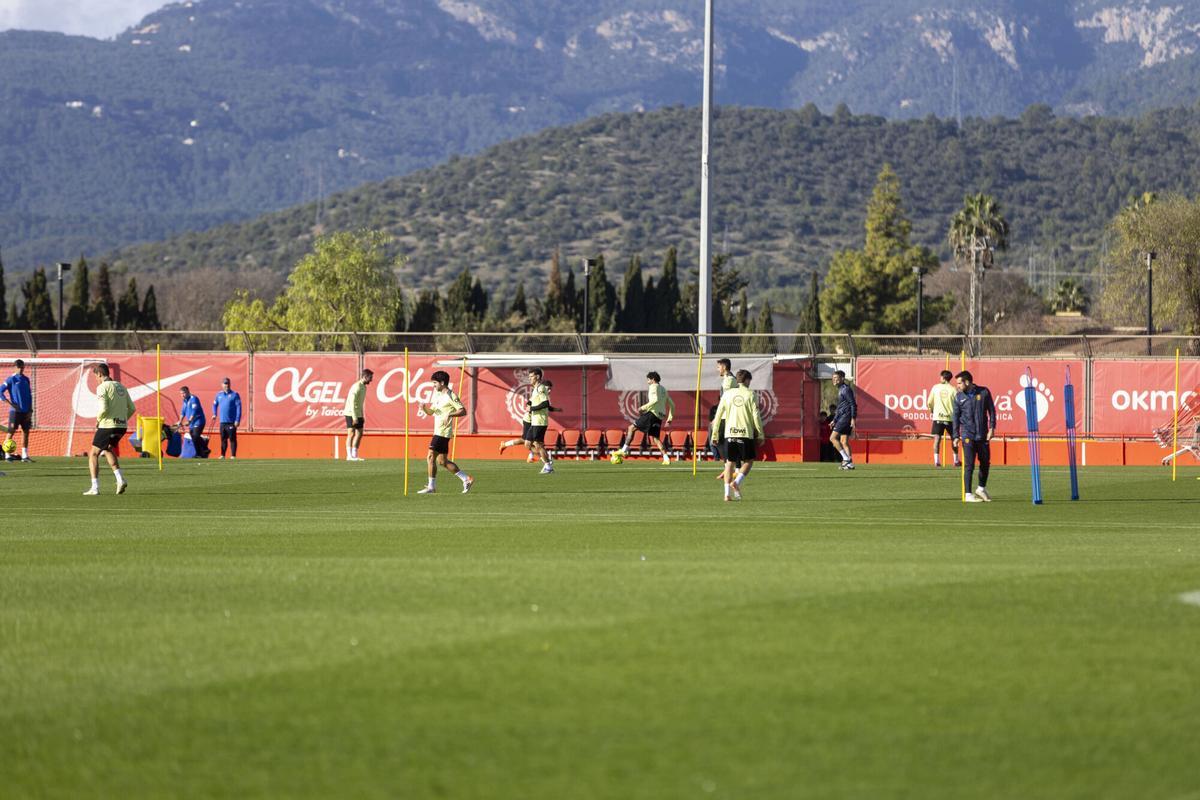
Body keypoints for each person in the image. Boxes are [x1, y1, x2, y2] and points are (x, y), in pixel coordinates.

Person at [417, 370, 474, 494]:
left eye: (435, 383)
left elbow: (463, 411)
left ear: (442, 383)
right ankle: (466, 479)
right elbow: (431, 412)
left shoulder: (450, 395)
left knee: (430, 456)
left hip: (443, 432)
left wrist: (450, 414)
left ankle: (431, 487)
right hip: (438, 431)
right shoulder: (437, 394)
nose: (433, 385)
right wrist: (424, 408)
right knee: (442, 461)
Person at [713, 369, 765, 502]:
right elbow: (756, 415)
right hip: (745, 433)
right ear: (747, 380)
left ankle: (726, 495)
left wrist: (714, 434)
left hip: (729, 433)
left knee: (729, 463)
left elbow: (718, 415)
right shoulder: (751, 394)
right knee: (749, 461)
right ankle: (736, 482)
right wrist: (760, 433)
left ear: (737, 380)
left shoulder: (727, 394)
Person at [84, 363, 136, 496]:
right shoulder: (121, 387)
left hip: (108, 425)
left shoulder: (102, 387)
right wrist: (122, 419)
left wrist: (98, 419)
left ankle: (95, 487)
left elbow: (104, 409)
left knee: (93, 454)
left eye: (95, 376)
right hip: (122, 426)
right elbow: (132, 408)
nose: (96, 379)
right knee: (107, 449)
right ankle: (120, 479)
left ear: (100, 374)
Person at [951, 370, 997, 502]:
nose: (957, 386)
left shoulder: (983, 392)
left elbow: (992, 411)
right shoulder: (959, 397)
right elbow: (955, 417)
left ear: (967, 381)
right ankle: (968, 494)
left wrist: (992, 428)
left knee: (985, 463)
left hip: (982, 435)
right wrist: (955, 436)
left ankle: (981, 488)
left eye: (959, 383)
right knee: (969, 465)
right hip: (967, 435)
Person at [616, 371, 676, 465]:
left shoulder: (653, 386)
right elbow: (673, 405)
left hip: (652, 414)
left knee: (631, 428)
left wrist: (642, 408)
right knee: (655, 438)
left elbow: (655, 400)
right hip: (660, 416)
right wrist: (669, 419)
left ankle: (624, 450)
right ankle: (666, 458)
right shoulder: (664, 389)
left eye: (648, 379)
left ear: (652, 379)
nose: (647, 381)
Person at [1, 358, 33, 462]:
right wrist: (9, 403)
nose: (21, 369)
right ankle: (7, 455)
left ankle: (25, 456)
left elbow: (29, 395)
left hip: (26, 411)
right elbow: (0, 391)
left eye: (22, 367)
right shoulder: (11, 379)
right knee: (11, 432)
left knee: (26, 432)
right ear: (15, 368)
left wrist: (30, 410)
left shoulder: (26, 379)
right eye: (19, 367)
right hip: (15, 412)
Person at [926, 369, 960, 468]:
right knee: (954, 439)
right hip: (951, 418)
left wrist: (931, 410)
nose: (940, 378)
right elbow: (958, 404)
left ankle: (937, 461)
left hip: (938, 418)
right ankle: (956, 461)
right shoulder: (953, 389)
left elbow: (929, 402)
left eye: (941, 377)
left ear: (944, 378)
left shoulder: (935, 388)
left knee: (937, 439)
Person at [708, 358, 737, 470]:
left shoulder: (728, 380)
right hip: (728, 415)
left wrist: (717, 417)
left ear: (724, 367)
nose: (717, 369)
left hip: (726, 416)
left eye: (718, 367)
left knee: (718, 441)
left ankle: (728, 468)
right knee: (725, 441)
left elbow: (725, 401)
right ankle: (733, 467)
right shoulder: (729, 379)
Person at [830, 369, 857, 470]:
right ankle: (849, 464)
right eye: (833, 378)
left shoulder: (845, 389)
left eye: (836, 378)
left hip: (846, 417)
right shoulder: (841, 389)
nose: (834, 380)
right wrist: (834, 420)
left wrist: (853, 418)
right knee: (844, 441)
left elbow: (853, 404)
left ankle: (846, 459)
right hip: (843, 417)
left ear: (842, 379)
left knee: (832, 438)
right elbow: (840, 407)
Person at [344, 369, 373, 461]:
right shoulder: (356, 387)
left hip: (358, 413)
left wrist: (361, 415)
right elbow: (352, 403)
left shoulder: (364, 387)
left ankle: (354, 455)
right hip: (350, 413)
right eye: (370, 378)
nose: (371, 380)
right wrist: (354, 417)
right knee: (351, 433)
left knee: (359, 433)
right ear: (365, 377)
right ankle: (349, 456)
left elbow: (360, 403)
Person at [211, 377, 242, 459]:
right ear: (222, 385)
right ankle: (222, 455)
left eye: (227, 383)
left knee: (232, 438)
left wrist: (237, 420)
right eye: (225, 384)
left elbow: (239, 408)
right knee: (223, 439)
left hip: (231, 422)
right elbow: (214, 404)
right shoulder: (219, 395)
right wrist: (214, 414)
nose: (226, 385)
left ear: (230, 384)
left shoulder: (235, 394)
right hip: (222, 422)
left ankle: (233, 455)